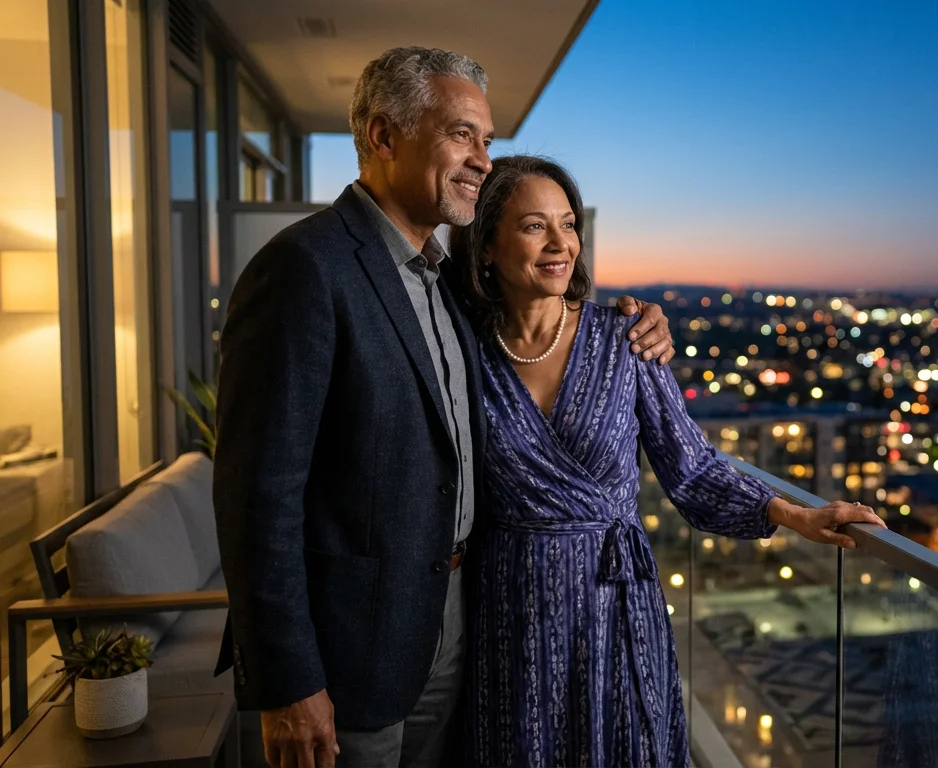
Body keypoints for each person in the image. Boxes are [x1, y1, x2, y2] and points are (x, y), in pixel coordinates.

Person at [212, 48, 678, 768]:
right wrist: (287, 682)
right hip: (349, 655)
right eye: (462, 134)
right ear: (383, 136)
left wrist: (638, 322)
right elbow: (256, 498)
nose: (483, 161)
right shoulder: (304, 268)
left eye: (487, 141)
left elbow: (536, 316)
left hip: (458, 628)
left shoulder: (442, 285)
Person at [449, 154, 885, 767]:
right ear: (486, 247)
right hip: (510, 609)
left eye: (569, 224)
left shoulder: (624, 338)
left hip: (616, 600)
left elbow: (692, 469)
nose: (560, 244)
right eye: (532, 226)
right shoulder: (460, 347)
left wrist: (793, 515)